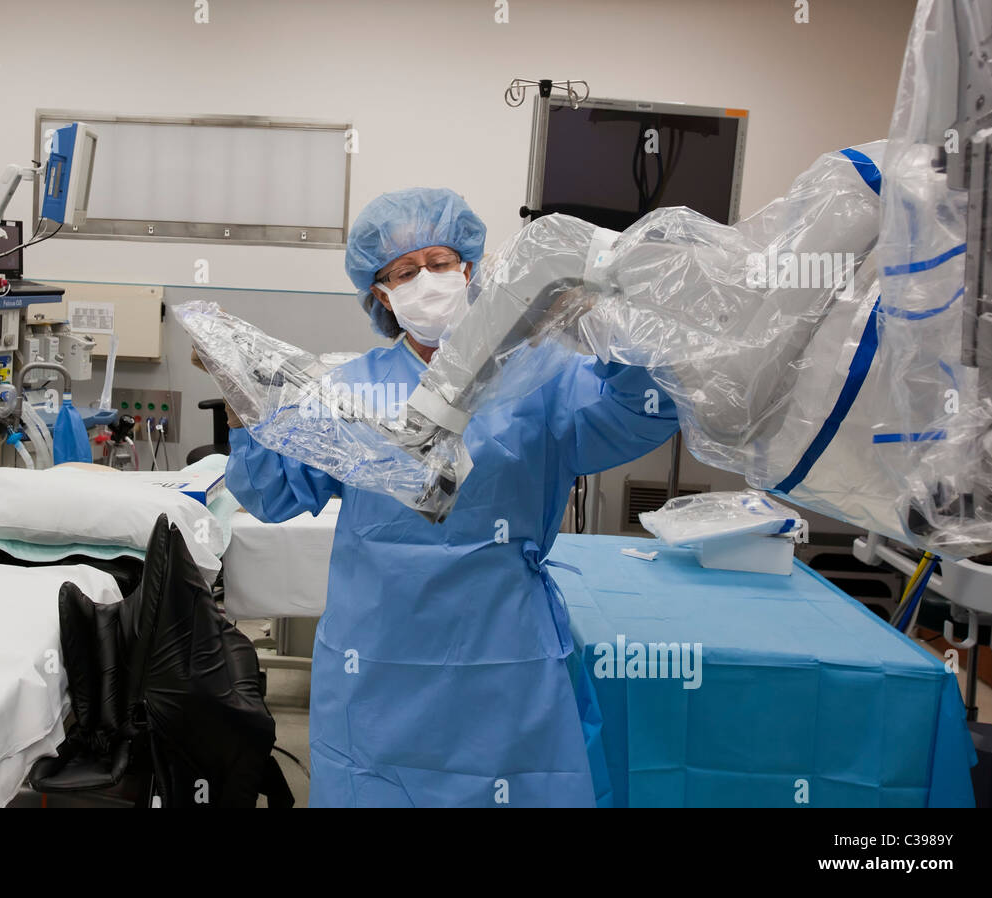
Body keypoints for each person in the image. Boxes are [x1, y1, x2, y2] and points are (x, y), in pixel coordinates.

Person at [222, 187, 678, 807]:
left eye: (438, 262)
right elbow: (272, 493)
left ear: (469, 268)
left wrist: (608, 333)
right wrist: (250, 412)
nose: (426, 281)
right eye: (403, 272)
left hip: (503, 651)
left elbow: (642, 416)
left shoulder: (538, 374)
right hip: (377, 655)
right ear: (380, 295)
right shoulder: (350, 388)